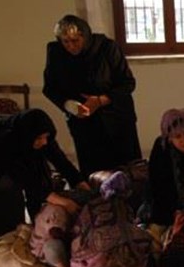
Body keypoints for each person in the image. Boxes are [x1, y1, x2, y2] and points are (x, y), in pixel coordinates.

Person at [0, 109, 89, 245]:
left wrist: (81, 184)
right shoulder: (7, 140)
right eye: (39, 138)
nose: (44, 142)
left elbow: (61, 161)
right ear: (28, 136)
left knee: (37, 169)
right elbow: (26, 178)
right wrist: (64, 202)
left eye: (46, 137)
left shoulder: (40, 135)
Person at [42, 14, 142, 176]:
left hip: (116, 118)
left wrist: (101, 101)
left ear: (85, 36)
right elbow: (50, 88)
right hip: (83, 122)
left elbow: (127, 83)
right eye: (65, 42)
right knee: (93, 172)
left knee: (126, 171)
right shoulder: (56, 52)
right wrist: (69, 105)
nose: (71, 46)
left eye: (75, 41)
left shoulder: (107, 47)